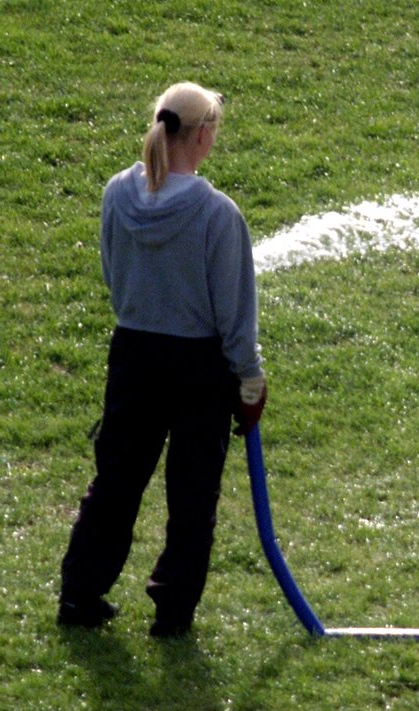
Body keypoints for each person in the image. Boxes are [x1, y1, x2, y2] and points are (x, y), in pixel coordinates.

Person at [58, 82, 267, 638]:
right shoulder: (217, 215)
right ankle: (172, 615)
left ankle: (79, 596)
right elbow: (235, 313)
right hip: (199, 369)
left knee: (116, 481)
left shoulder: (115, 194)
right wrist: (250, 379)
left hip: (132, 355)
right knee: (192, 495)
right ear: (203, 135)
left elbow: (111, 273)